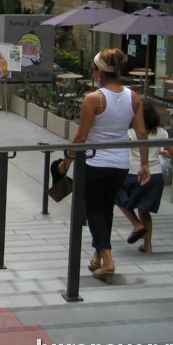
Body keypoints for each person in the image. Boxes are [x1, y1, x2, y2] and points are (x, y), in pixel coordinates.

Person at [66, 49, 149, 284]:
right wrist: (143, 165)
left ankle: (109, 262)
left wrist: (67, 159)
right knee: (105, 210)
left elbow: (81, 137)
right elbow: (141, 133)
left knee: (93, 211)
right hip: (121, 163)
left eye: (93, 69)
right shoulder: (133, 97)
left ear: (99, 72)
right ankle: (98, 255)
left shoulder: (94, 99)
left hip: (95, 161)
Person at [116, 99, 173, 254]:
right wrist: (162, 152)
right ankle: (148, 246)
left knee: (118, 198)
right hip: (155, 176)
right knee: (145, 210)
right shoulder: (161, 132)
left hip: (132, 173)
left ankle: (136, 225)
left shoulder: (129, 133)